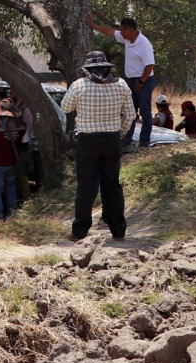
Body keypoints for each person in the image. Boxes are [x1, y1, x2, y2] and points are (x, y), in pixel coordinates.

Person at [62, 50, 136, 241]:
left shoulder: (79, 85)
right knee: (112, 185)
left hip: (87, 140)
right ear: (106, 68)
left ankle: (80, 231)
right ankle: (118, 230)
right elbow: (130, 115)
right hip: (111, 139)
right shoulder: (121, 84)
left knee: (86, 186)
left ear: (87, 69)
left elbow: (65, 107)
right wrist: (120, 133)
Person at [87, 15, 156, 149]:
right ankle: (126, 140)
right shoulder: (127, 38)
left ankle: (144, 141)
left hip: (144, 80)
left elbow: (149, 65)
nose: (121, 33)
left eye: (123, 30)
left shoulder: (144, 44)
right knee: (129, 111)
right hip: (131, 80)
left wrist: (141, 82)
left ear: (131, 30)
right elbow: (110, 32)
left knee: (145, 111)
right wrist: (94, 26)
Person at [0, 99, 21, 220]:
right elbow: (24, 143)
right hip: (12, 162)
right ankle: (12, 213)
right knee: (11, 188)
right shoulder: (20, 125)